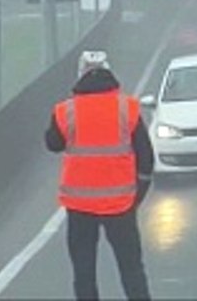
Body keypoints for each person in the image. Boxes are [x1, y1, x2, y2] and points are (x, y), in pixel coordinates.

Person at [45, 50, 154, 300]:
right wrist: (138, 194)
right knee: (132, 270)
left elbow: (52, 143)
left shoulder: (65, 111)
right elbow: (146, 158)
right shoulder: (128, 108)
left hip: (79, 207)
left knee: (84, 273)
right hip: (121, 206)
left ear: (79, 75)